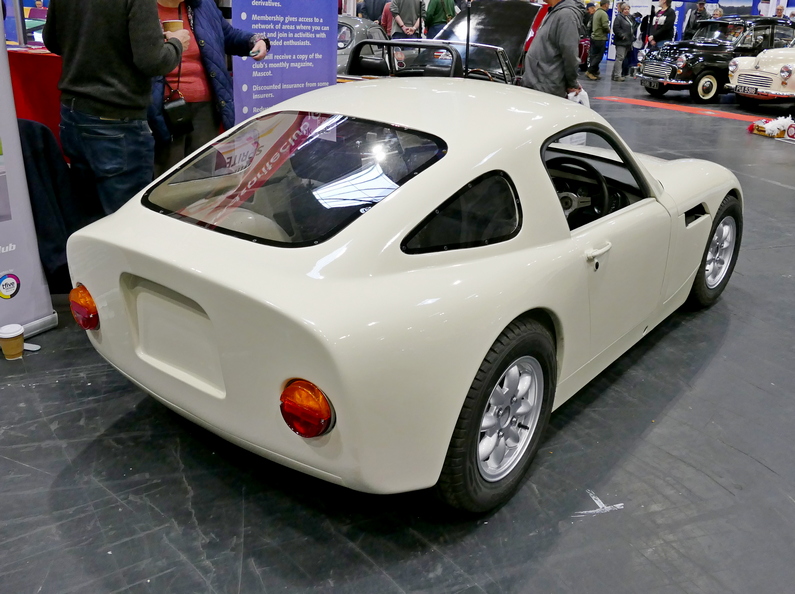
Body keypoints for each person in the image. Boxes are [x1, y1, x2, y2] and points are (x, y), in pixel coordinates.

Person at [43, 0, 188, 215]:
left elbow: (52, 40)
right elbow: (152, 61)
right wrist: (176, 44)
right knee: (127, 221)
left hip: (74, 113)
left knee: (89, 217)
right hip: (117, 120)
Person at [148, 0, 269, 177]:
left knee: (204, 177)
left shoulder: (202, 5)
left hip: (205, 109)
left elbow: (228, 35)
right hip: (160, 110)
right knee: (165, 178)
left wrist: (254, 41)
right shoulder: (141, 8)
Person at [521, 0, 582, 97]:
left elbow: (570, 54)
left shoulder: (566, 15)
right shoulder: (554, 12)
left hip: (546, 87)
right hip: (538, 83)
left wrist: (572, 83)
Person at [586, 0, 609, 80]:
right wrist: (608, 30)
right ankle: (590, 71)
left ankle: (594, 72)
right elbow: (605, 26)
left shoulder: (596, 13)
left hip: (594, 37)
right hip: (600, 37)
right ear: (606, 5)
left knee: (593, 55)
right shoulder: (603, 13)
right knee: (598, 57)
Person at [612, 3, 633, 81]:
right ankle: (617, 76)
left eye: (628, 9)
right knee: (620, 58)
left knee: (621, 58)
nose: (627, 11)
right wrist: (622, 35)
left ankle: (614, 75)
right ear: (622, 10)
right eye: (625, 9)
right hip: (621, 41)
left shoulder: (628, 18)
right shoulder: (618, 18)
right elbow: (616, 28)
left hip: (627, 41)